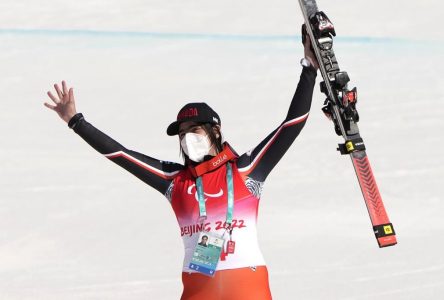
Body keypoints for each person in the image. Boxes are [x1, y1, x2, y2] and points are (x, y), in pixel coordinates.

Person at [44, 30, 318, 300]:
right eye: (183, 134)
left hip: (248, 289)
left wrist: (309, 69)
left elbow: (291, 125)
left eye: (195, 130)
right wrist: (76, 121)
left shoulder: (245, 169)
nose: (188, 139)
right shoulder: (174, 180)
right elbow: (121, 155)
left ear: (216, 131)